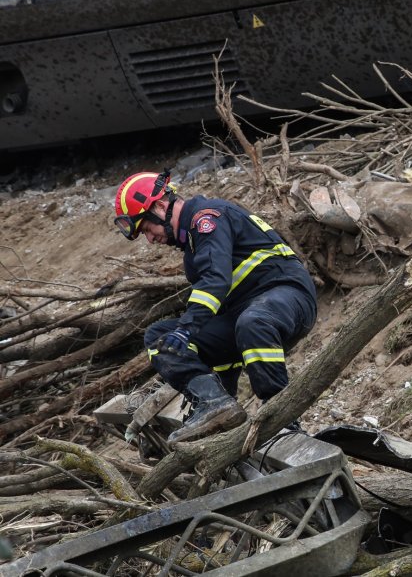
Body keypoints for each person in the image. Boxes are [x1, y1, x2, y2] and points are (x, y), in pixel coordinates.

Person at [113, 169, 317, 445]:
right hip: (246, 314)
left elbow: (215, 281)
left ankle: (282, 422)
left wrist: (186, 328)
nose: (150, 239)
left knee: (252, 321)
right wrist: (226, 398)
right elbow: (223, 325)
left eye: (148, 229)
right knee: (160, 339)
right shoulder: (193, 252)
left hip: (287, 296)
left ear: (160, 206)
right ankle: (212, 404)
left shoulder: (207, 219)